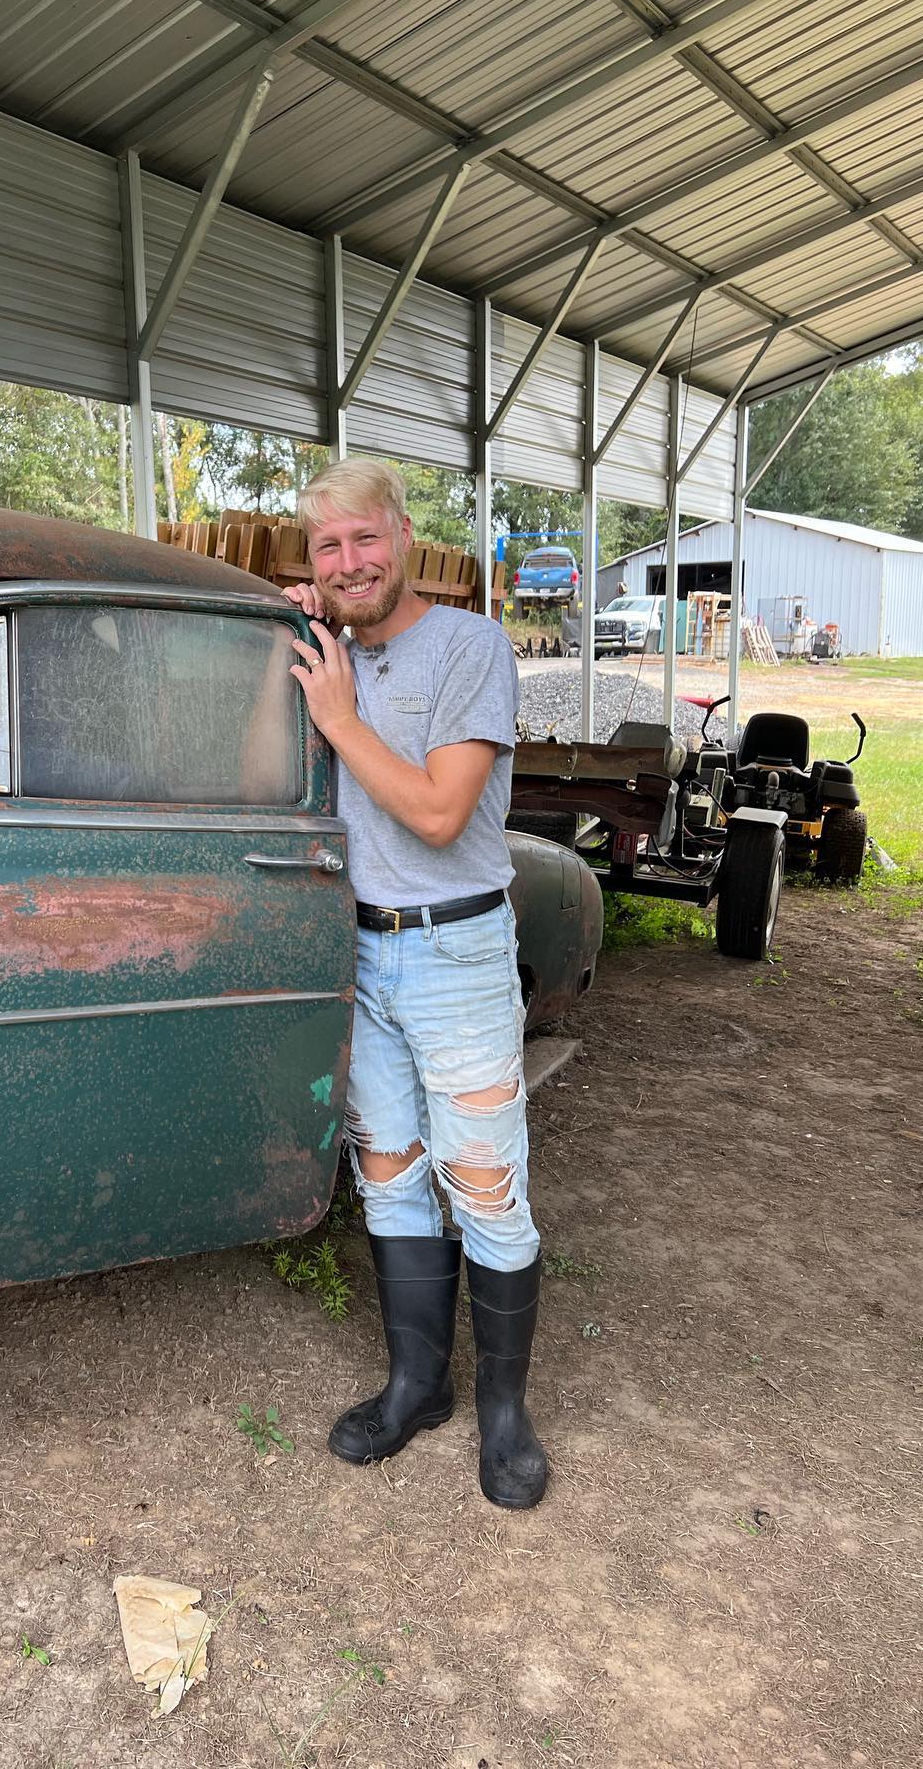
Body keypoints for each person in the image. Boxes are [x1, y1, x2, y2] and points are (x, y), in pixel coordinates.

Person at [284, 459, 548, 1510]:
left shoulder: (471, 647)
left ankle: (505, 1414)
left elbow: (441, 814)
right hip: (358, 945)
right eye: (327, 549)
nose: (350, 563)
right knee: (388, 1173)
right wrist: (298, 619)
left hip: (455, 951)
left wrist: (343, 722)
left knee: (483, 1181)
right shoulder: (327, 648)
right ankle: (415, 1386)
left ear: (403, 537)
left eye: (364, 540)